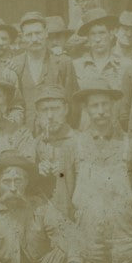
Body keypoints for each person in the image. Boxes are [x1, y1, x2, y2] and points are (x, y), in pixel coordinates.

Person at [70, 81, 132, 263]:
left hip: (124, 227)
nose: (101, 110)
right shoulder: (76, 143)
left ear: (113, 107)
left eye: (105, 105)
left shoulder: (130, 142)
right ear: (87, 110)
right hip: (90, 227)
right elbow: (65, 184)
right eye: (95, 106)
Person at [12, 10, 77, 127]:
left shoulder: (63, 62)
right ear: (22, 37)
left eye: (38, 33)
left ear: (46, 33)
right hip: (26, 136)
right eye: (29, 35)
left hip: (57, 134)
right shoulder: (15, 65)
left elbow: (73, 104)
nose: (34, 39)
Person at [32, 84, 78, 218]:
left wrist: (66, 172)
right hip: (42, 216)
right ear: (37, 114)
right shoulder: (35, 143)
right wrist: (36, 170)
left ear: (66, 109)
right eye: (44, 110)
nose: (50, 116)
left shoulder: (78, 141)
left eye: (55, 109)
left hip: (72, 214)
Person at [71, 9, 125, 109]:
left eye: (102, 33)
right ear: (88, 38)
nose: (97, 39)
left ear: (111, 34)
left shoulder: (126, 65)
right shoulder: (75, 66)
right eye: (93, 34)